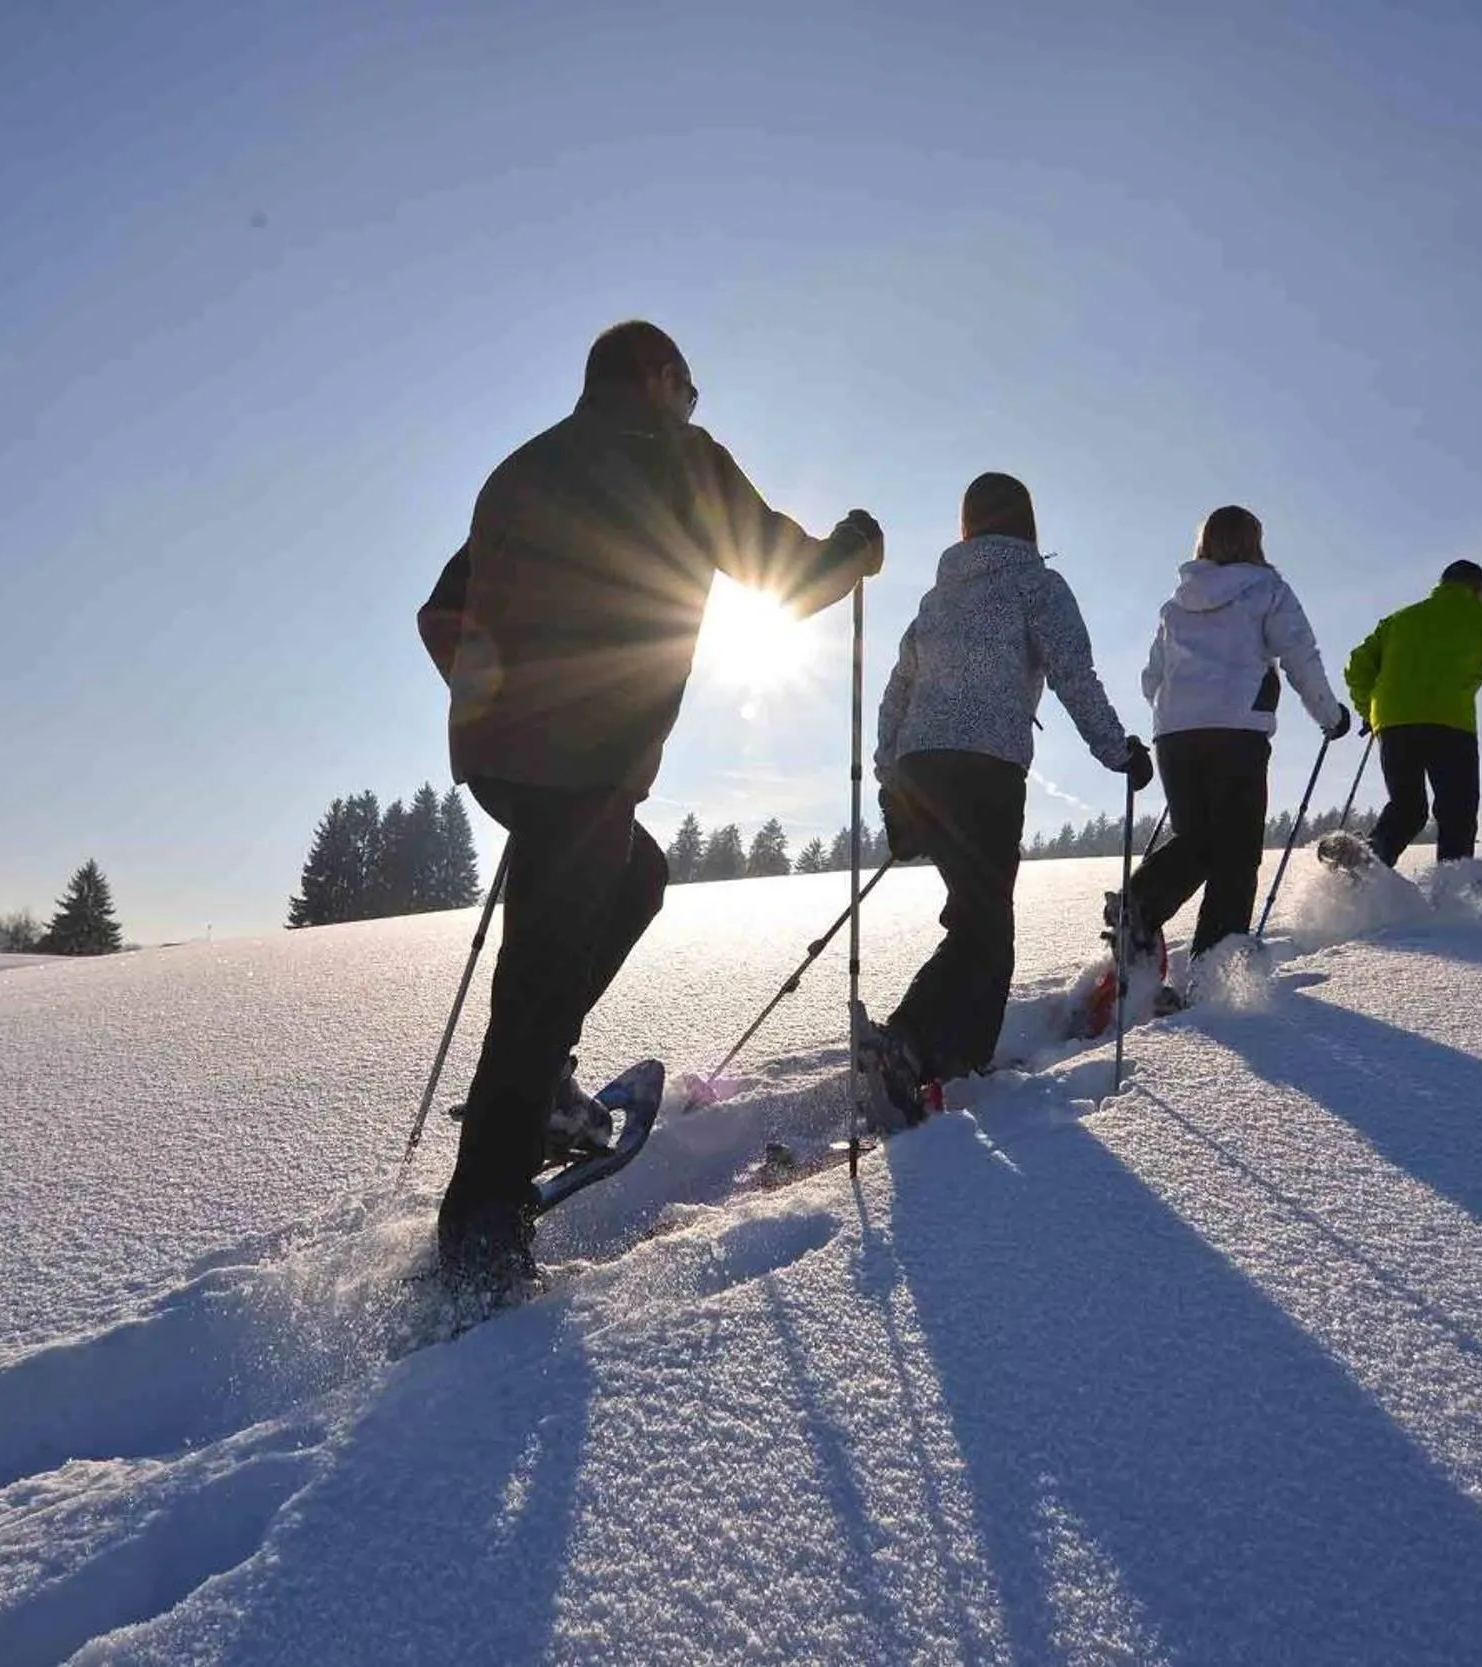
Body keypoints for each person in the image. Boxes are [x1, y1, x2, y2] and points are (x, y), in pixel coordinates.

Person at [416, 320, 884, 1302]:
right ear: (662, 378)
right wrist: (855, 548)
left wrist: (494, 699)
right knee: (537, 979)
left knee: (635, 878)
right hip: (580, 756)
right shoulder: (674, 453)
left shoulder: (520, 468)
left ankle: (537, 1097)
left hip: (511, 757)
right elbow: (784, 574)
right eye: (691, 389)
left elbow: (439, 610)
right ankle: (482, 1237)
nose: (694, 406)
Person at [862, 472, 1150, 1119]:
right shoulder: (1035, 584)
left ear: (966, 526)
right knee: (987, 925)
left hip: (921, 766)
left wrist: (894, 786)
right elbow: (1074, 672)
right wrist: (1119, 751)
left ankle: (948, 1061)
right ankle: (915, 1047)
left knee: (978, 916)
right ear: (1027, 522)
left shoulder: (938, 599)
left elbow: (896, 691)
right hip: (984, 769)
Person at [1123, 505, 1349, 965]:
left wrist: (1181, 709)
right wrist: (1330, 715)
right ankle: (1214, 966)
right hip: (1237, 733)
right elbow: (1299, 655)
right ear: (1253, 542)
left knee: (1197, 838)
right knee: (1237, 856)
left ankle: (1140, 904)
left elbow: (1152, 677)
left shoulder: (1176, 603)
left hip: (1175, 735)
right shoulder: (1267, 589)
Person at [1344, 558, 1482, 866]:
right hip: (1450, 726)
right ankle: (1452, 897)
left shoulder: (1400, 619)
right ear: (1479, 589)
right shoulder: (1481, 616)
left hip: (1394, 725)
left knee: (1407, 809)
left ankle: (1366, 866)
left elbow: (1357, 667)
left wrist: (1371, 712)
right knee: (1457, 811)